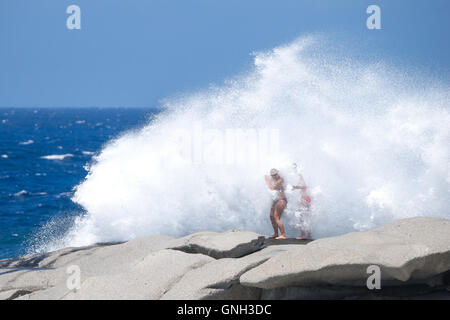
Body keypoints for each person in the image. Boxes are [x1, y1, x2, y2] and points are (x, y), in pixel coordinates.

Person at [264, 168, 287, 240]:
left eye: (275, 174)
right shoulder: (274, 179)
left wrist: (267, 181)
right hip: (276, 200)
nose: (274, 176)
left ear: (278, 173)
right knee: (271, 216)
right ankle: (276, 233)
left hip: (281, 200)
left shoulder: (281, 180)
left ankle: (283, 235)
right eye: (272, 175)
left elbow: (272, 188)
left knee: (276, 217)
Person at [292, 163, 312, 240]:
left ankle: (303, 235)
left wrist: (295, 187)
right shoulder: (303, 175)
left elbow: (304, 186)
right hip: (307, 198)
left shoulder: (300, 176)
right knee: (306, 216)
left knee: (301, 217)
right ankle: (309, 234)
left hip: (305, 198)